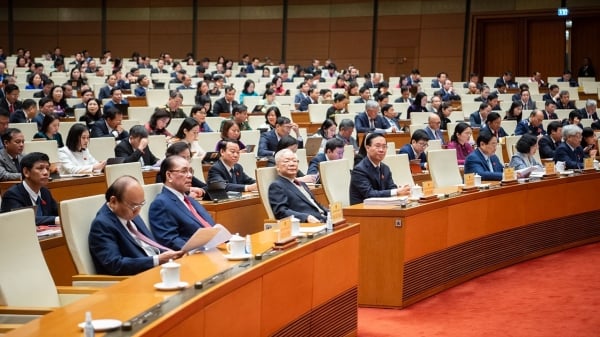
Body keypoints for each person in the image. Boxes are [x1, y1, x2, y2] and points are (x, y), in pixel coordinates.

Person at [88, 175, 184, 276]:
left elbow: (151, 244)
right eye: (133, 206)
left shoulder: (131, 213)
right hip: (135, 279)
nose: (138, 211)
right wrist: (156, 260)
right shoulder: (102, 225)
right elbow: (115, 265)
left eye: (141, 204)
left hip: (158, 270)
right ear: (113, 202)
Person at [149, 155, 216, 250]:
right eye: (184, 171)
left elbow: (209, 225)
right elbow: (170, 240)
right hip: (193, 256)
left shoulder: (190, 200)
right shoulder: (161, 204)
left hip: (214, 248)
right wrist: (200, 249)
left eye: (190, 171)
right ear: (169, 175)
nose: (190, 175)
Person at [268, 149, 328, 223]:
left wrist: (330, 212)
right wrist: (306, 217)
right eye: (287, 161)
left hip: (324, 219)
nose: (292, 164)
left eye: (295, 161)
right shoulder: (277, 186)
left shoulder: (302, 184)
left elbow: (315, 204)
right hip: (307, 225)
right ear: (277, 167)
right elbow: (281, 212)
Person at [0, 152, 59, 226]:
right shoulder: (12, 195)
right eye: (40, 168)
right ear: (26, 172)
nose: (46, 172)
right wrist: (55, 219)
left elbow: (58, 211)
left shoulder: (45, 192)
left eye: (47, 168)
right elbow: (22, 219)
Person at [349, 133, 410, 205]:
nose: (381, 150)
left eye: (384, 147)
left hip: (382, 207)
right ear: (367, 148)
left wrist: (400, 189)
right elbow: (369, 194)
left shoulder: (385, 168)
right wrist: (396, 191)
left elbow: (391, 187)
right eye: (377, 146)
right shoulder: (359, 170)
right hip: (363, 211)